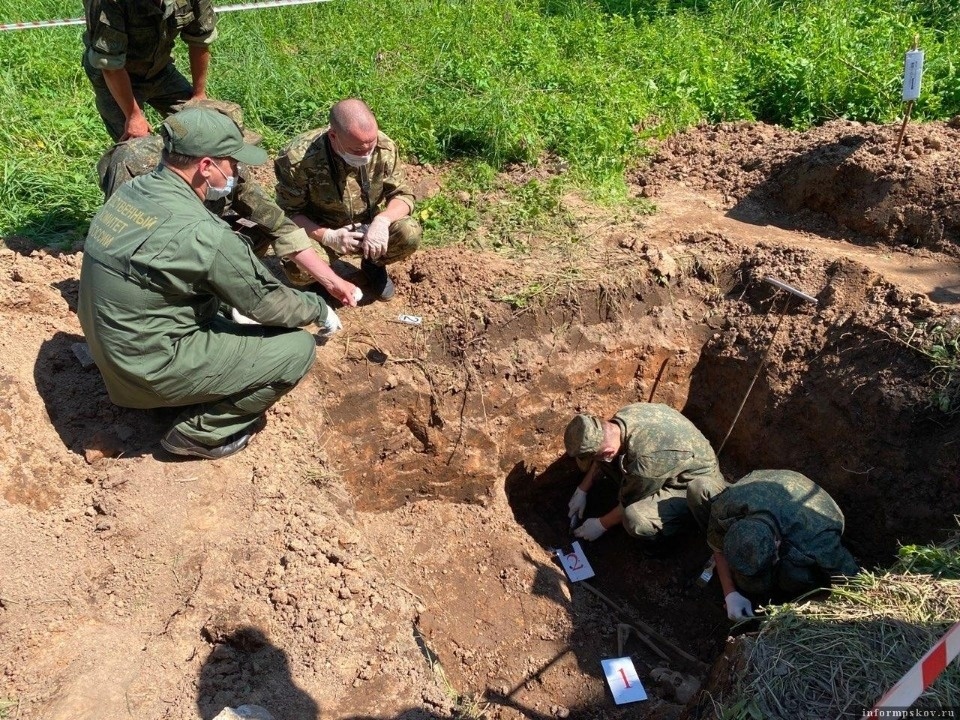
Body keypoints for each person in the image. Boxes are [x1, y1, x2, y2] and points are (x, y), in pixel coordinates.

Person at [78, 108, 340, 459]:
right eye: (231, 162)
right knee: (296, 350)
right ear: (205, 166)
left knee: (219, 312)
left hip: (110, 352)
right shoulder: (204, 233)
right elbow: (266, 302)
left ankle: (179, 386)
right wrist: (319, 308)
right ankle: (197, 434)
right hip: (143, 373)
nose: (235, 171)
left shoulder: (133, 192)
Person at [96, 99, 360, 307]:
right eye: (231, 156)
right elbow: (125, 238)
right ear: (206, 159)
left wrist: (331, 281)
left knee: (254, 233)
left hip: (193, 236)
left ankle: (214, 292)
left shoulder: (230, 170)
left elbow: (278, 225)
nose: (236, 167)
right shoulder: (133, 163)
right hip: (152, 260)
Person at [274, 98, 421, 301]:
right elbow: (287, 213)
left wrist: (382, 221)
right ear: (334, 136)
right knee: (297, 266)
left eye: (372, 146)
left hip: (368, 228)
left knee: (409, 232)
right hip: (319, 230)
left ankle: (373, 263)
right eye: (358, 151)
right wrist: (328, 237)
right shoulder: (297, 159)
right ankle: (322, 278)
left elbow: (402, 195)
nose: (368, 155)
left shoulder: (384, 147)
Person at [563, 403, 728, 545]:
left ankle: (674, 535)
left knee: (635, 519)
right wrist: (583, 489)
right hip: (674, 459)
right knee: (612, 465)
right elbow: (601, 452)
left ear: (607, 452)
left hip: (694, 485)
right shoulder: (621, 419)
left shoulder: (646, 461)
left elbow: (628, 502)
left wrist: (601, 524)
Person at [706, 469, 859, 621]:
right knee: (749, 584)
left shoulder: (818, 541)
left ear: (777, 545)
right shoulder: (727, 506)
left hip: (815, 509)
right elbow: (717, 547)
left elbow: (852, 585)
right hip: (765, 487)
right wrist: (730, 593)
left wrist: (794, 611)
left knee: (794, 576)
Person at [82, 0, 218, 141]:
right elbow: (111, 67)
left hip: (160, 70)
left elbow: (199, 39)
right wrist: (133, 116)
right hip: (115, 78)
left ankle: (176, 140)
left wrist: (198, 94)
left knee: (193, 130)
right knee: (137, 148)